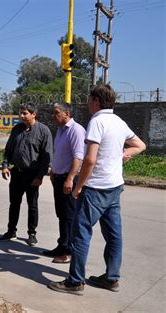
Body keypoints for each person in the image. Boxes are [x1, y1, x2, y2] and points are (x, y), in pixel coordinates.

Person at [48, 84, 146, 295]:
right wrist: (123, 153)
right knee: (114, 234)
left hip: (95, 188)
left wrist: (78, 187)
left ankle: (75, 281)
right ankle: (111, 278)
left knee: (80, 233)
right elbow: (140, 145)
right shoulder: (119, 122)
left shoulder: (97, 122)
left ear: (96, 101)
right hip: (114, 187)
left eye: (89, 99)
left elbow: (90, 159)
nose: (87, 103)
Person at [0, 103, 53, 246]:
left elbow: (46, 158)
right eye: (21, 113)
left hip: (32, 175)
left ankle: (32, 233)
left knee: (32, 205)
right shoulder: (17, 129)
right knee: (14, 203)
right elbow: (8, 149)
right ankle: (11, 231)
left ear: (34, 114)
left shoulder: (43, 131)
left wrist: (40, 177)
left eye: (25, 113)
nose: (21, 116)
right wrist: (5, 166)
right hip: (17, 173)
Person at [44, 103, 86, 263]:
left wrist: (69, 179)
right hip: (59, 178)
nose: (53, 116)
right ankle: (62, 245)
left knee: (69, 216)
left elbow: (78, 157)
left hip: (69, 179)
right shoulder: (61, 130)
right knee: (61, 214)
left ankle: (69, 251)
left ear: (67, 113)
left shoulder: (76, 130)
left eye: (56, 113)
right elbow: (59, 154)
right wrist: (54, 171)